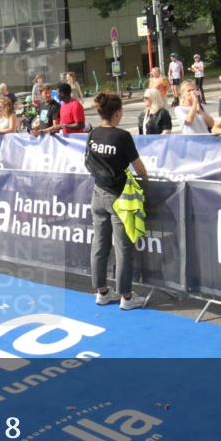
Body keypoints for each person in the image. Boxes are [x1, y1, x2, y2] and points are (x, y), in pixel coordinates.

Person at [87, 92, 148, 310]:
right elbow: (140, 169)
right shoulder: (122, 136)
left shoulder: (93, 134)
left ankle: (102, 292)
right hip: (119, 198)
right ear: (118, 113)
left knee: (100, 245)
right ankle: (127, 298)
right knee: (123, 248)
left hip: (97, 194)